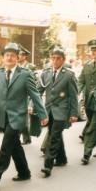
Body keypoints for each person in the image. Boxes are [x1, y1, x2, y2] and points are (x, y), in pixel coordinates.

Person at [0, 43, 48, 191]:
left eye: (12, 55)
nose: (9, 58)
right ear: (3, 58)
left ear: (17, 58)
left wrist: (43, 114)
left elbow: (35, 95)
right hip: (3, 116)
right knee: (14, 145)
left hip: (18, 117)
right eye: (7, 55)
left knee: (6, 146)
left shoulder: (25, 74)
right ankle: (24, 172)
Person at [32, 46, 78, 177]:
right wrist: (31, 104)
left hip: (61, 110)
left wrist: (74, 114)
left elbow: (74, 96)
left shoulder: (69, 75)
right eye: (53, 58)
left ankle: (48, 165)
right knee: (53, 133)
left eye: (58, 58)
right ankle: (62, 158)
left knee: (54, 137)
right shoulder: (46, 73)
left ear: (63, 60)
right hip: (49, 110)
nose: (55, 60)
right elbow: (38, 91)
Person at [17, 45, 37, 145]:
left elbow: (34, 82)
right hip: (18, 95)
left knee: (23, 118)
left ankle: (25, 138)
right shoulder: (16, 66)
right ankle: (26, 137)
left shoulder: (31, 67)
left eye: (20, 55)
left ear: (24, 56)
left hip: (27, 95)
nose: (18, 56)